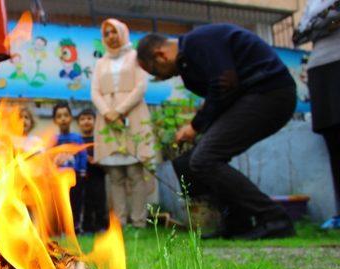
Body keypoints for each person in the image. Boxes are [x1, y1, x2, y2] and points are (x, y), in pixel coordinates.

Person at [137, 24, 297, 239]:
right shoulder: (189, 61)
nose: (162, 78)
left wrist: (195, 126)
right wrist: (198, 124)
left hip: (270, 92)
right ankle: (236, 223)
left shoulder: (198, 42)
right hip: (248, 98)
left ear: (160, 55)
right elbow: (221, 93)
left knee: (204, 159)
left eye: (155, 72)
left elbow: (225, 84)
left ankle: (274, 218)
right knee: (190, 162)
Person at [91, 19, 155, 228]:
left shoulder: (135, 57)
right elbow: (95, 91)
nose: (111, 36)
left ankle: (138, 221)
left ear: (123, 32)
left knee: (135, 173)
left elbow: (140, 87)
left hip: (133, 115)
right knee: (116, 175)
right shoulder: (101, 62)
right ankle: (120, 222)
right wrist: (107, 112)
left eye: (114, 32)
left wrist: (119, 110)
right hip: (107, 120)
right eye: (107, 33)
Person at [295, 0, 340, 229]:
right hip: (320, 67)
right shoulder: (313, 3)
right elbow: (299, 34)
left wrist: (323, 21)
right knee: (332, 140)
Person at [53, 102, 87, 233]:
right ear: (55, 120)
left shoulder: (77, 138)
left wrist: (82, 170)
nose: (63, 119)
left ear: (71, 118)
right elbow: (48, 158)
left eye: (66, 115)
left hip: (75, 177)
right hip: (58, 178)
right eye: (59, 116)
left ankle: (76, 227)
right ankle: (61, 228)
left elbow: (82, 155)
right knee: (60, 204)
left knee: (76, 203)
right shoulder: (54, 139)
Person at [77, 108, 108, 233]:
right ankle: (87, 227)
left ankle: (101, 226)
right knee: (86, 202)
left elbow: (106, 158)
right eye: (82, 119)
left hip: (98, 176)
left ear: (95, 121)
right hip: (83, 178)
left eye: (89, 118)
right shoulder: (77, 141)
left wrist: (98, 161)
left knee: (100, 201)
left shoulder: (99, 141)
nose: (86, 122)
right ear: (78, 123)